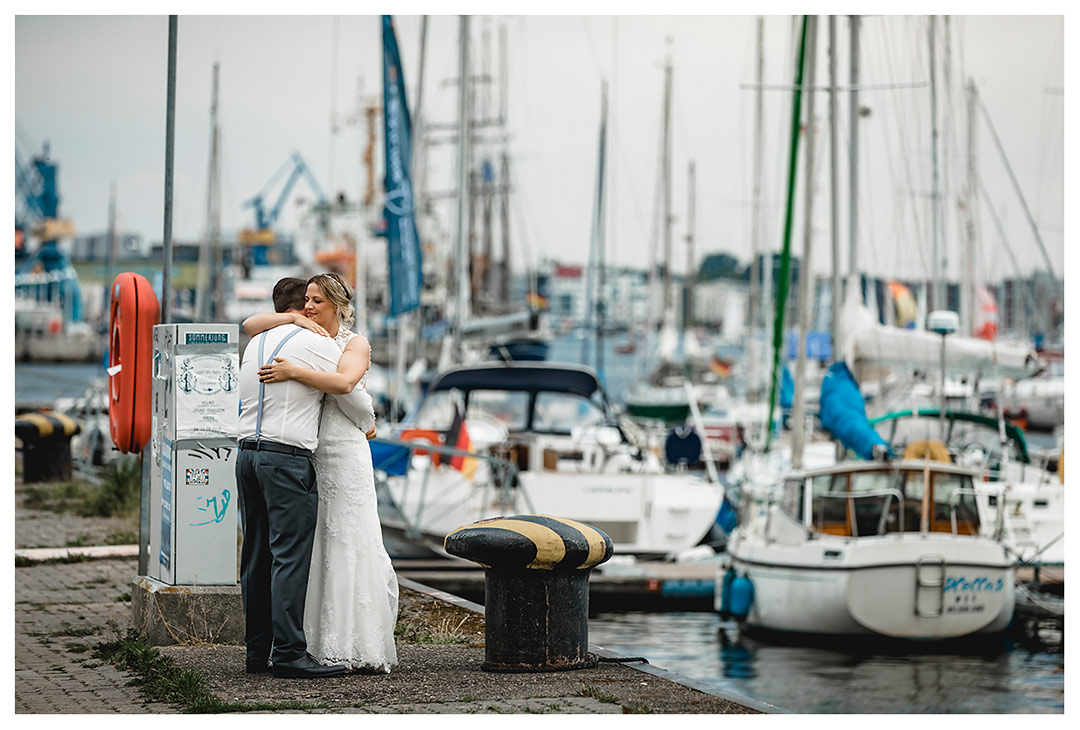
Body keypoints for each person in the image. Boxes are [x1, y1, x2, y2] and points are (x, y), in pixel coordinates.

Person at [244, 272, 398, 674]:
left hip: (344, 454)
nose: (309, 307)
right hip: (310, 455)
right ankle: (302, 642)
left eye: (317, 302)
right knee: (308, 555)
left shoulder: (352, 344)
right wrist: (293, 320)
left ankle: (343, 640)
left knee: (346, 543)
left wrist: (294, 371)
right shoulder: (306, 337)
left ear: (340, 307)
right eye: (307, 300)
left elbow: (348, 386)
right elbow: (250, 325)